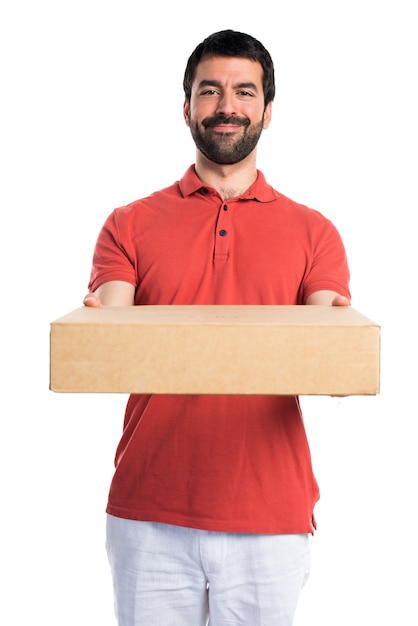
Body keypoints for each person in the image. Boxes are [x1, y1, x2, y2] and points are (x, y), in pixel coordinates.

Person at [83, 29, 351, 626]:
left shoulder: (316, 233)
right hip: (149, 512)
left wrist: (337, 338)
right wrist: (101, 326)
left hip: (270, 517)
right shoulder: (129, 224)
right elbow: (111, 342)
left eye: (244, 91)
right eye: (210, 90)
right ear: (187, 108)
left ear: (267, 111)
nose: (226, 105)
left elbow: (333, 363)